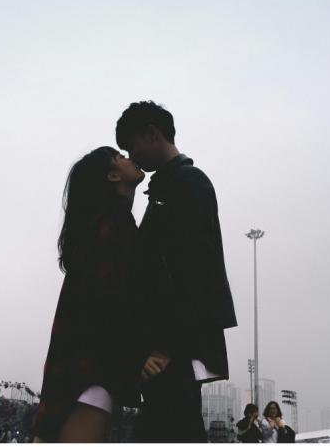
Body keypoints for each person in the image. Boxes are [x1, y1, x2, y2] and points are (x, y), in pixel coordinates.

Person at [116, 101, 237, 442]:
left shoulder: (187, 183)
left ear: (152, 133)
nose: (132, 155)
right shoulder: (168, 188)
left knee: (172, 426)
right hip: (170, 345)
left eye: (132, 146)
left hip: (173, 349)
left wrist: (166, 346)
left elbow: (195, 271)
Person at [33, 147, 149, 442]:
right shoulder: (113, 223)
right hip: (93, 368)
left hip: (79, 365)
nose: (129, 157)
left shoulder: (99, 224)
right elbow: (114, 300)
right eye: (120, 157)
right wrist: (142, 357)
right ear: (112, 175)